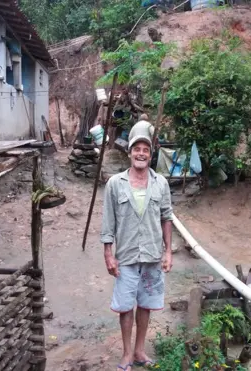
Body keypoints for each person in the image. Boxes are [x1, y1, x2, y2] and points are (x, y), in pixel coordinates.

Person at [101, 119, 173, 371]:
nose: (141, 154)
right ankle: (126, 354)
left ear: (150, 155)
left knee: (145, 304)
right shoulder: (115, 184)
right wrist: (108, 254)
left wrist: (168, 251)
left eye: (145, 150)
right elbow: (108, 223)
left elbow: (166, 218)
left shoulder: (161, 184)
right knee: (125, 306)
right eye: (137, 149)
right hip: (127, 255)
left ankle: (140, 351)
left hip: (153, 254)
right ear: (129, 152)